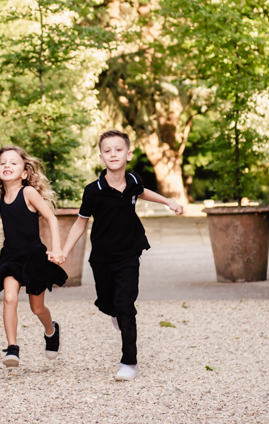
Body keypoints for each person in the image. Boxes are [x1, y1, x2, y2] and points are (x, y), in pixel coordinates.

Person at [61, 130, 183, 381]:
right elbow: (80, 224)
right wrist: (64, 251)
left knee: (126, 306)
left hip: (129, 252)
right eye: (108, 150)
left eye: (118, 149)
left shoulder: (133, 180)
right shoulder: (93, 191)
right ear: (101, 157)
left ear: (128, 154)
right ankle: (116, 313)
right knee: (109, 304)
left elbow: (143, 191)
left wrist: (168, 201)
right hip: (102, 258)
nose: (113, 154)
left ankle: (129, 362)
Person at [0, 146, 68, 367]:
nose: (7, 166)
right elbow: (16, 213)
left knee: (37, 308)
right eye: (3, 163)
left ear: (24, 173)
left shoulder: (28, 192)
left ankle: (51, 330)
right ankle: (12, 349)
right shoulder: (2, 196)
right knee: (9, 298)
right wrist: (0, 212)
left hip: (33, 257)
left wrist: (57, 248)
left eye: (13, 162)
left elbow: (50, 218)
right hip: (11, 256)